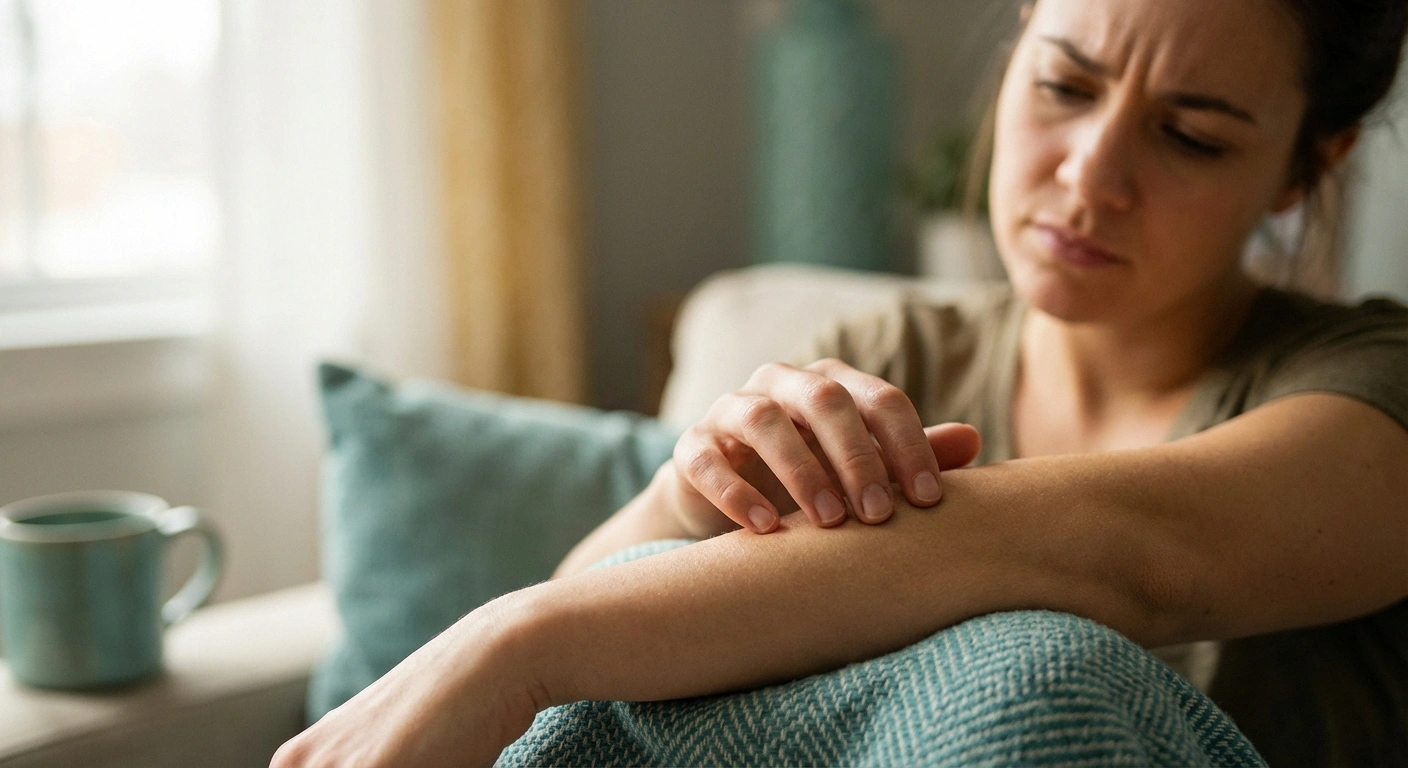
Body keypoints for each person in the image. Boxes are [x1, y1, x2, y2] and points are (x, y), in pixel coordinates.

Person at [274, 0, 1408, 765]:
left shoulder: (1372, 392)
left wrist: (512, 641)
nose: (1089, 174)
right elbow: (600, 680)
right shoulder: (884, 355)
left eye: (1191, 138)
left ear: (1308, 166)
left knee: (1041, 663)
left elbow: (1134, 563)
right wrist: (691, 489)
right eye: (1064, 83)